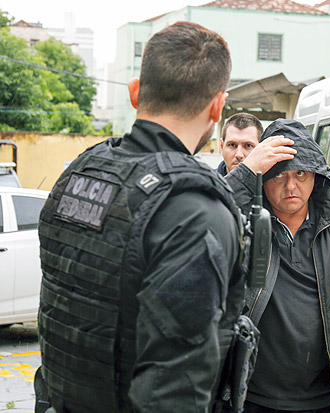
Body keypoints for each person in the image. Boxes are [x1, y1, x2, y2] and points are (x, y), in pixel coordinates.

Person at [36, 21, 245, 413]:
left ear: (135, 92)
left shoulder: (80, 172)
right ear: (218, 106)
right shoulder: (195, 212)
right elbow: (172, 392)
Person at [224, 118, 330, 412]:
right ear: (262, 178)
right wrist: (243, 175)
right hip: (251, 396)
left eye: (300, 173)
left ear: (315, 176)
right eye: (278, 176)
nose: (291, 186)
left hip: (322, 398)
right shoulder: (240, 221)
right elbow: (198, 218)